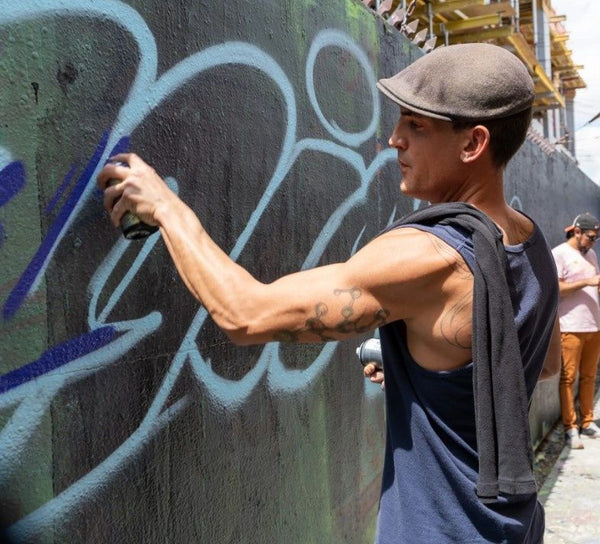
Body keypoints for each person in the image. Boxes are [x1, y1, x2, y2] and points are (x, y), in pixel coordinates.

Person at [98, 43, 560, 543]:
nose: (394, 139)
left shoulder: (430, 257)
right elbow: (544, 363)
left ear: (473, 144)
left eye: (416, 125)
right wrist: (426, 364)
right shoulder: (530, 243)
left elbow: (245, 314)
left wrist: (167, 208)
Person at [551, 213, 600, 450]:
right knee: (568, 378)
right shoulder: (559, 253)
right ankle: (571, 427)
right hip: (570, 327)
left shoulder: (589, 254)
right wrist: (586, 282)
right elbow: (556, 289)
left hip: (594, 326)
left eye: (596, 238)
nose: (593, 242)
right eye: (591, 237)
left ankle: (587, 422)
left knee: (590, 376)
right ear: (577, 232)